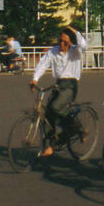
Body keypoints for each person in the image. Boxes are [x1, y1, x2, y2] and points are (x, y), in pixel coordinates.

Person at [31, 26, 87, 157]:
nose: (62, 44)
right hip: (58, 84)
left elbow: (84, 45)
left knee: (55, 106)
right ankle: (50, 145)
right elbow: (43, 64)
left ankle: (75, 126)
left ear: (71, 42)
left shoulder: (76, 51)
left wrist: (73, 31)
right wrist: (35, 79)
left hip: (71, 85)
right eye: (60, 41)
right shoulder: (53, 51)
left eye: (65, 42)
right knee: (47, 114)